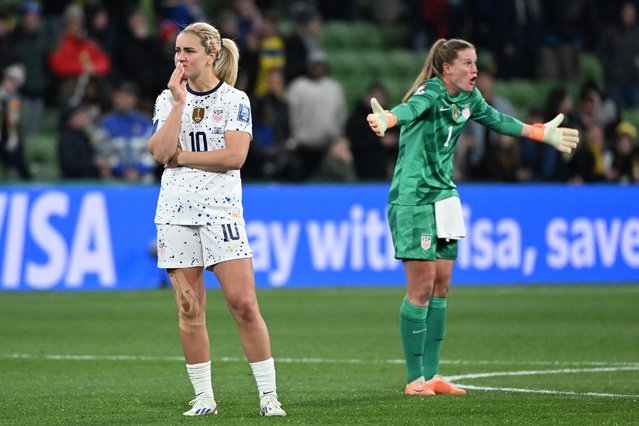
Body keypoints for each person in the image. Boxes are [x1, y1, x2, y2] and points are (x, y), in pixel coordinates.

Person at [366, 38, 580, 396]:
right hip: (414, 199)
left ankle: (432, 376)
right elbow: (409, 110)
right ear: (447, 68)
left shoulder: (469, 98)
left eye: (476, 63)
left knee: (442, 286)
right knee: (420, 287)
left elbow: (499, 121)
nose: (475, 69)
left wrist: (540, 132)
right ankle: (414, 379)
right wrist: (388, 118)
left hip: (445, 197)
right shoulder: (430, 92)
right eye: (467, 63)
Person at [147, 21, 286, 417]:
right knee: (190, 309)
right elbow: (159, 152)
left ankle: (268, 395)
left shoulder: (235, 100)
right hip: (174, 213)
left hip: (221, 211)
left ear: (211, 53)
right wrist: (178, 104)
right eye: (177, 51)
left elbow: (234, 157)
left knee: (243, 303)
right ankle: (205, 397)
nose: (180, 58)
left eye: (188, 51)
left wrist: (184, 157)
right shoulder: (166, 99)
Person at [97, 81, 155, 183]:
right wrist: (122, 170)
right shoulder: (107, 123)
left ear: (134, 99)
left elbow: (154, 151)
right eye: (118, 96)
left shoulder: (145, 122)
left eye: (126, 96)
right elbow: (104, 151)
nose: (121, 100)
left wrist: (139, 170)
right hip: (115, 177)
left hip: (143, 177)